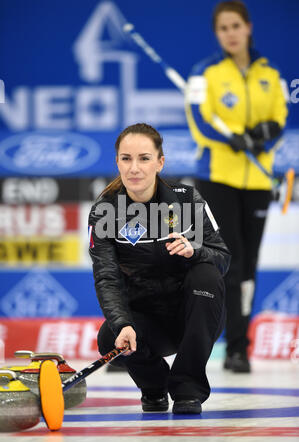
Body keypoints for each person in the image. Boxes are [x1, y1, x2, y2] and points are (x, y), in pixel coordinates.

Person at [88, 122, 230, 414]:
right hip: (147, 324)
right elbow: (106, 278)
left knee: (206, 272)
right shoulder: (105, 211)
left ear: (160, 162)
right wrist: (123, 324)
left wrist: (195, 251)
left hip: (194, 315)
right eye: (126, 158)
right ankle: (154, 387)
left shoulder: (188, 200)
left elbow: (223, 258)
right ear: (117, 162)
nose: (134, 168)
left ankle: (188, 389)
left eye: (144, 158)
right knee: (107, 337)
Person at [185, 1, 288, 372]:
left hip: (258, 180)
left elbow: (279, 116)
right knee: (230, 260)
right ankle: (228, 344)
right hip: (217, 179)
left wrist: (264, 134)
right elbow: (199, 120)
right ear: (218, 34)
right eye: (223, 28)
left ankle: (240, 347)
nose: (230, 33)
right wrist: (232, 140)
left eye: (235, 26)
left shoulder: (271, 73)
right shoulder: (204, 73)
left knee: (249, 265)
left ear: (247, 27)